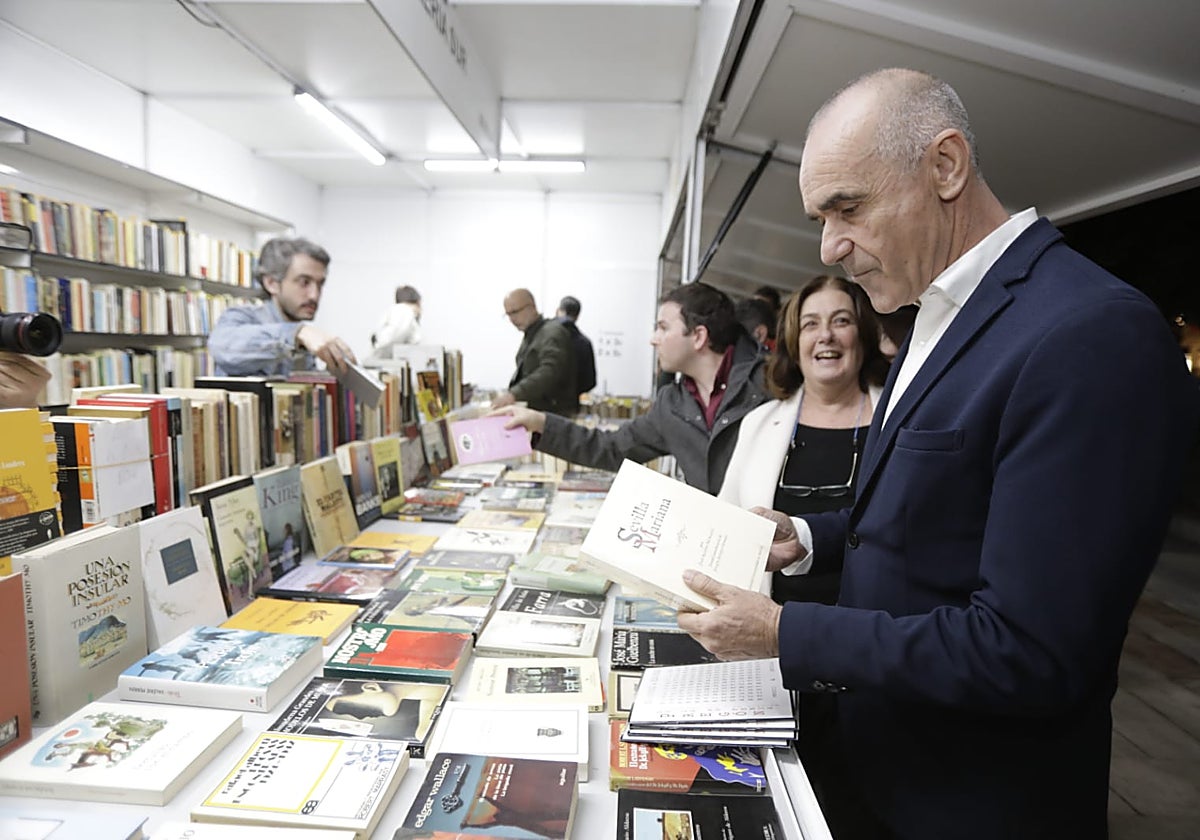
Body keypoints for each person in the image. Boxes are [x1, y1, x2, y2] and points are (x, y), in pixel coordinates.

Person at [676, 68, 1200, 839]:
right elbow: (931, 506)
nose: (831, 245)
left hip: (967, 800)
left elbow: (1030, 649)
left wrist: (788, 634)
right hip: (874, 767)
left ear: (945, 166)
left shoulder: (1089, 334)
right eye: (821, 216)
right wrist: (810, 536)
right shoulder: (934, 313)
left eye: (847, 208)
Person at [500, 282, 770, 495]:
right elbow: (611, 448)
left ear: (698, 336)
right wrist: (542, 425)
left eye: (663, 328)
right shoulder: (673, 405)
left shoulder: (770, 385)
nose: (654, 340)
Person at [721, 276, 888, 605]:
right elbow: (727, 527)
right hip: (774, 634)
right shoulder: (759, 423)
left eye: (841, 321)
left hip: (876, 632)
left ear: (864, 335)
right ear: (794, 342)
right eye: (810, 324)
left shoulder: (899, 415)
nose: (826, 335)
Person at [208, 236, 357, 377]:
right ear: (271, 283)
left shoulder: (303, 337)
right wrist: (297, 333)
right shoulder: (240, 317)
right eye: (304, 282)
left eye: (320, 284)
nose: (314, 295)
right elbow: (222, 347)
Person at [492, 289, 577, 415]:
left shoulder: (552, 332)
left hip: (553, 416)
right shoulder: (533, 334)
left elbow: (550, 371)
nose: (512, 319)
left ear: (531, 307)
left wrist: (514, 394)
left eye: (515, 312)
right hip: (537, 414)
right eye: (508, 314)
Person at [555, 295, 597, 400]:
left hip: (541, 404)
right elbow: (590, 382)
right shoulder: (585, 343)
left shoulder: (544, 336)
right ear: (578, 316)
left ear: (558, 311)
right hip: (570, 404)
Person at [371, 285, 422, 353]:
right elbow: (386, 342)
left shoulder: (398, 313)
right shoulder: (404, 311)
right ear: (417, 303)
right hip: (385, 362)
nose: (421, 310)